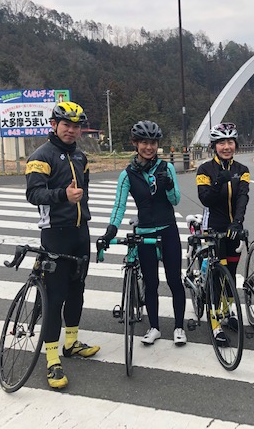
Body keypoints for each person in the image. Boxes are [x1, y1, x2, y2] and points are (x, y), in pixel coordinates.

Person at [25, 101, 100, 389]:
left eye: (76, 125)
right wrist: (62, 196)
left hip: (81, 232)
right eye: (66, 124)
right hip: (55, 233)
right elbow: (33, 193)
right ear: (54, 125)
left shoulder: (81, 157)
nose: (71, 129)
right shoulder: (40, 156)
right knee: (54, 298)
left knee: (77, 290)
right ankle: (52, 359)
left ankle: (72, 343)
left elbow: (86, 191)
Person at [100, 120, 186, 346]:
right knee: (151, 282)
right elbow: (119, 206)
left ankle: (179, 327)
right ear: (135, 144)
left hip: (168, 229)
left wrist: (168, 186)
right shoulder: (127, 174)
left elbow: (175, 200)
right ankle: (154, 327)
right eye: (144, 142)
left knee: (175, 280)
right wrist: (110, 231)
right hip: (145, 231)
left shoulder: (166, 168)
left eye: (153, 143)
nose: (149, 147)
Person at [196, 122, 250, 344]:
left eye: (230, 142)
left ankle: (228, 314)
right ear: (214, 146)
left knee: (231, 275)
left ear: (235, 144)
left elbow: (243, 197)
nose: (226, 147)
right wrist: (219, 181)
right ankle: (214, 322)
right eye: (221, 142)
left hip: (233, 229)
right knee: (217, 277)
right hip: (214, 228)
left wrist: (238, 222)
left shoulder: (242, 170)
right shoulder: (204, 170)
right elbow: (205, 198)